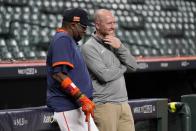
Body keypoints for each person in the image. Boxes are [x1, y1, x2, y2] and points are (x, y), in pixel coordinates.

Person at [81, 9, 138, 131]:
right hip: (105, 106)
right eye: (109, 23)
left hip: (124, 103)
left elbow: (133, 66)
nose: (113, 26)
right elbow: (105, 75)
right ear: (97, 25)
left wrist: (120, 47)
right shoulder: (89, 47)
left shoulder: (115, 43)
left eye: (114, 22)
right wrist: (123, 67)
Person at [46, 8, 99, 131]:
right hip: (68, 107)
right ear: (73, 25)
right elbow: (58, 75)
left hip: (77, 107)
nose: (85, 31)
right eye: (83, 27)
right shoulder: (63, 39)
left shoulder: (69, 41)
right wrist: (81, 97)